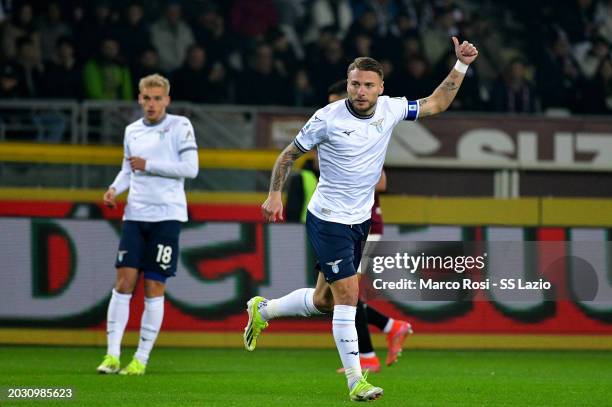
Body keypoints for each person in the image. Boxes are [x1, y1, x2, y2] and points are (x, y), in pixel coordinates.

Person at [245, 37, 478, 401]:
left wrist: (461, 65)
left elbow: (437, 102)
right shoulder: (327, 118)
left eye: (369, 84)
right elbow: (288, 156)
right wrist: (274, 193)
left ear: (381, 88)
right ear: (348, 83)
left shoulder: (391, 109)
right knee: (349, 294)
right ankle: (357, 380)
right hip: (328, 218)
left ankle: (265, 309)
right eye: (355, 83)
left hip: (360, 219)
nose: (361, 90)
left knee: (325, 301)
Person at [286, 79, 413, 373]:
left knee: (347, 292)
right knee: (329, 296)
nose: (330, 107)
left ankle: (367, 355)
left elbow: (382, 181)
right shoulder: (331, 127)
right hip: (338, 221)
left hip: (366, 223)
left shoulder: (368, 132)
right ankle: (391, 328)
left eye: (334, 100)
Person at [96, 73, 199, 375]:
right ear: (139, 99)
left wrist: (149, 165)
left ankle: (140, 358)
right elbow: (128, 169)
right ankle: (112, 356)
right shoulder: (132, 131)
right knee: (123, 282)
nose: (151, 104)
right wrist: (115, 188)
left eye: (157, 98)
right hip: (135, 215)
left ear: (167, 100)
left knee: (154, 285)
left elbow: (191, 169)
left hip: (167, 216)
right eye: (146, 98)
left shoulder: (180, 126)